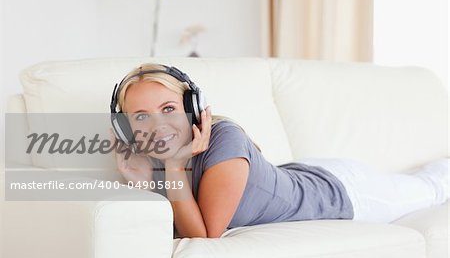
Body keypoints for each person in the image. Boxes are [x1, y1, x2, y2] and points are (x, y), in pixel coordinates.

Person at [110, 63, 449, 239]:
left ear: (192, 106)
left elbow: (203, 234)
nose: (157, 125)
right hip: (297, 173)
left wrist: (171, 168)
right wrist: (142, 184)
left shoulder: (223, 138)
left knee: (434, 186)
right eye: (141, 116)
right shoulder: (152, 158)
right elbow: (173, 223)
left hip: (344, 193)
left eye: (169, 108)